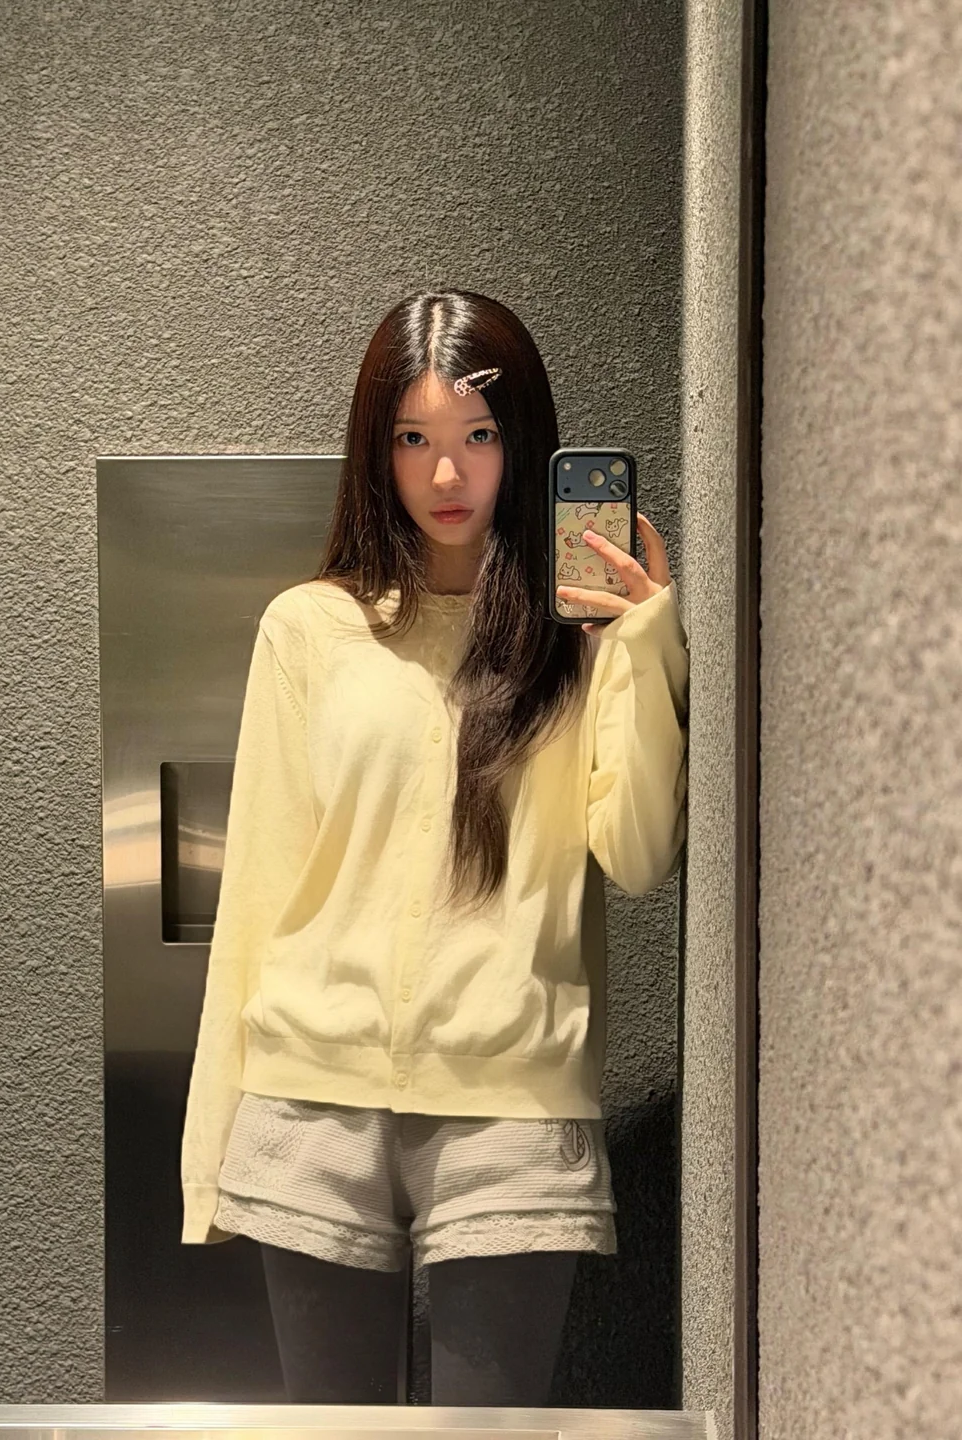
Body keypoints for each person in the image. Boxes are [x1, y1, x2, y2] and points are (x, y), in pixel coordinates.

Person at [180, 289, 690, 1406]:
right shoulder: (310, 628)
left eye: (479, 435)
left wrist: (642, 645)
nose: (446, 473)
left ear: (525, 441)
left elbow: (640, 853)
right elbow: (258, 887)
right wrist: (210, 1147)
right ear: (377, 449)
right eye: (413, 438)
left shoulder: (581, 638)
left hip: (512, 1103)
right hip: (310, 1097)